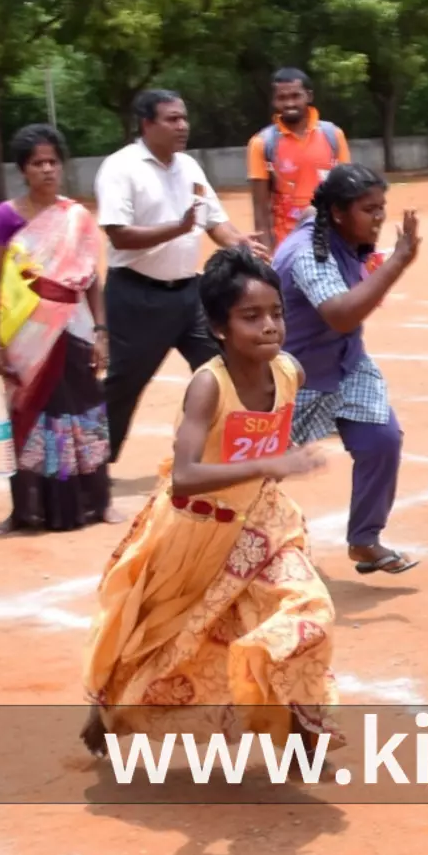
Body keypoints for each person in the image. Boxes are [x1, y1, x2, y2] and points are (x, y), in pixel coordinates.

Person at [80, 248, 336, 756]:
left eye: (276, 313)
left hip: (262, 523)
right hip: (195, 532)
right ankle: (106, 712)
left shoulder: (290, 372)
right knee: (155, 639)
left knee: (307, 608)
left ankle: (302, 728)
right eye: (251, 316)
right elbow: (185, 477)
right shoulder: (207, 387)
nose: (269, 327)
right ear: (219, 327)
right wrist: (270, 465)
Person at [94, 89, 264, 460]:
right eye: (172, 119)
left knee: (226, 364)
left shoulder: (189, 166)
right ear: (147, 124)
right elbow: (118, 232)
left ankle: (225, 449)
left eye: (184, 117)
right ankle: (92, 465)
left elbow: (216, 222)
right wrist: (179, 227)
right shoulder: (121, 168)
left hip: (191, 294)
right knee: (124, 385)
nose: (182, 125)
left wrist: (240, 244)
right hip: (137, 296)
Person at [274, 163, 419, 574]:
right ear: (337, 212)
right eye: (369, 209)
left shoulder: (336, 231)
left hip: (345, 362)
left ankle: (365, 539)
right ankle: (227, 548)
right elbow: (339, 314)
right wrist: (399, 262)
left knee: (381, 440)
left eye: (381, 207)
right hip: (294, 376)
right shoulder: (309, 253)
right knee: (262, 474)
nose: (379, 218)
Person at [0, 122, 113, 533]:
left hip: (74, 327)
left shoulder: (75, 217)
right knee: (29, 414)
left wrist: (101, 332)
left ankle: (97, 503)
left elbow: (91, 278)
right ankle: (28, 510)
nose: (47, 170)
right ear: (23, 169)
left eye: (53, 162)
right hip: (26, 335)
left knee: (84, 412)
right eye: (37, 163)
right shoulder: (4, 219)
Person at [245, 67, 351, 244]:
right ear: (273, 101)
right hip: (288, 244)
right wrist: (268, 258)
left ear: (309, 96)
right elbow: (260, 209)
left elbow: (347, 193)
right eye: (282, 98)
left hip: (333, 239)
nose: (289, 104)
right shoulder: (261, 143)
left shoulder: (333, 135)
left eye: (295, 96)